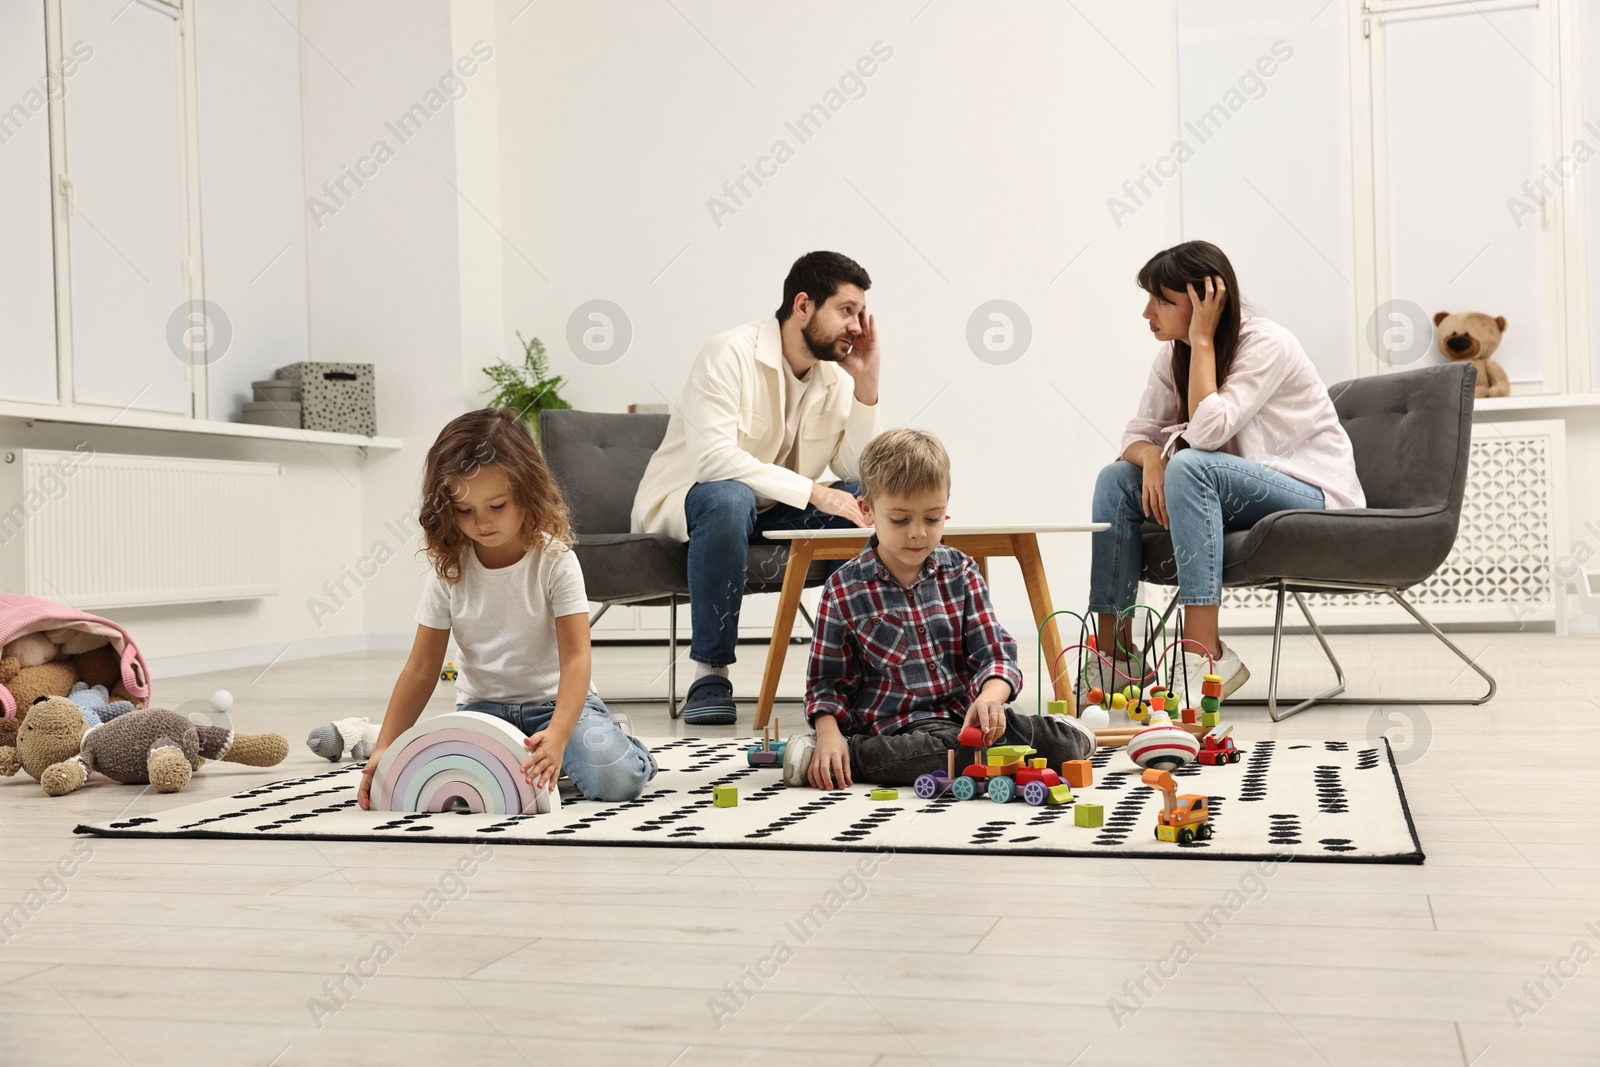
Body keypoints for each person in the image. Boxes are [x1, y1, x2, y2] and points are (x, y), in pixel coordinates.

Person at [1085, 240, 1366, 705]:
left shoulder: (1266, 344)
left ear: (1202, 304)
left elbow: (1209, 434)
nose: (1147, 313)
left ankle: (1202, 653)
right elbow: (1135, 437)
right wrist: (1152, 458)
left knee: (1192, 465)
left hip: (1315, 495)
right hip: (1235, 492)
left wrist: (1200, 341)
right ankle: (1114, 656)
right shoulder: (1170, 357)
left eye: (1162, 300)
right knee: (1114, 480)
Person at [358, 408, 656, 808]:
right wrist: (385, 748)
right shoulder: (449, 568)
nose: (481, 522)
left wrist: (561, 731)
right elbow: (421, 668)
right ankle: (551, 755)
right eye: (464, 510)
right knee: (453, 790)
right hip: (482, 710)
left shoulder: (555, 561)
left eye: (497, 505)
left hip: (559, 705)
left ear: (527, 492)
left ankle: (621, 744)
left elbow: (576, 658)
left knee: (617, 782)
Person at [632, 251, 883, 725]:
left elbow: (852, 468)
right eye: (846, 310)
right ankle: (711, 674)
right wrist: (816, 493)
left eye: (860, 312)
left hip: (774, 513)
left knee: (856, 499)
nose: (857, 326)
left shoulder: (834, 375)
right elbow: (712, 461)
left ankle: (851, 671)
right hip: (698, 505)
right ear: (803, 305)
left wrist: (866, 386)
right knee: (731, 496)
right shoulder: (730, 352)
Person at [783, 429, 1096, 789]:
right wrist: (827, 734)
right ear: (867, 511)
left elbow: (995, 653)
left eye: (932, 519)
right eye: (900, 520)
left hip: (969, 719)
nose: (918, 533)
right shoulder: (843, 589)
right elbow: (825, 684)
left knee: (1051, 744)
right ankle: (839, 752)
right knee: (930, 754)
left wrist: (991, 700)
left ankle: (1047, 735)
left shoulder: (961, 572)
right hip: (898, 730)